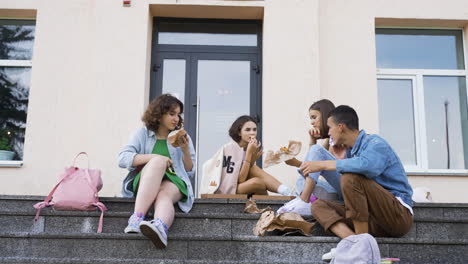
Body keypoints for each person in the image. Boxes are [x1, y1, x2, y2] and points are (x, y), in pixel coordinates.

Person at [305, 105, 413, 240]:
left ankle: (362, 242)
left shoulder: (376, 143)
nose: (329, 133)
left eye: (330, 128)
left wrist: (325, 164)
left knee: (349, 177)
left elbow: (368, 166)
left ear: (341, 127)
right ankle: (354, 242)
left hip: (396, 215)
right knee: (318, 206)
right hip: (371, 219)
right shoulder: (351, 152)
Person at [118, 94, 196, 249]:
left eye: (178, 115)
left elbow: (189, 171)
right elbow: (123, 159)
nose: (176, 119)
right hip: (146, 179)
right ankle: (137, 218)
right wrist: (154, 157)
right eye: (171, 114)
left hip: (173, 181)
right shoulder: (142, 134)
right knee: (158, 161)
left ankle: (160, 227)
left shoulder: (182, 138)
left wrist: (185, 149)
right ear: (159, 115)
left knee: (163, 194)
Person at [277, 99, 346, 216]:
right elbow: (312, 167)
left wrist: (297, 163)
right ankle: (311, 203)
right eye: (311, 118)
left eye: (314, 117)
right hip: (335, 190)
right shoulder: (328, 142)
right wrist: (312, 140)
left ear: (325, 116)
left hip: (347, 186)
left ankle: (304, 200)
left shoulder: (340, 138)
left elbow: (320, 162)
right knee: (301, 179)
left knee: (316, 150)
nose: (312, 122)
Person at [201, 115, 296, 196]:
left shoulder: (247, 148)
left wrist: (252, 157)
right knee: (258, 182)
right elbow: (240, 179)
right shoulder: (230, 149)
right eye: (248, 130)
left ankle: (285, 191)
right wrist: (249, 155)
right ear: (239, 133)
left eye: (254, 129)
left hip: (238, 186)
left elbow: (247, 172)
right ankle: (285, 192)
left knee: (259, 180)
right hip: (226, 190)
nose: (252, 133)